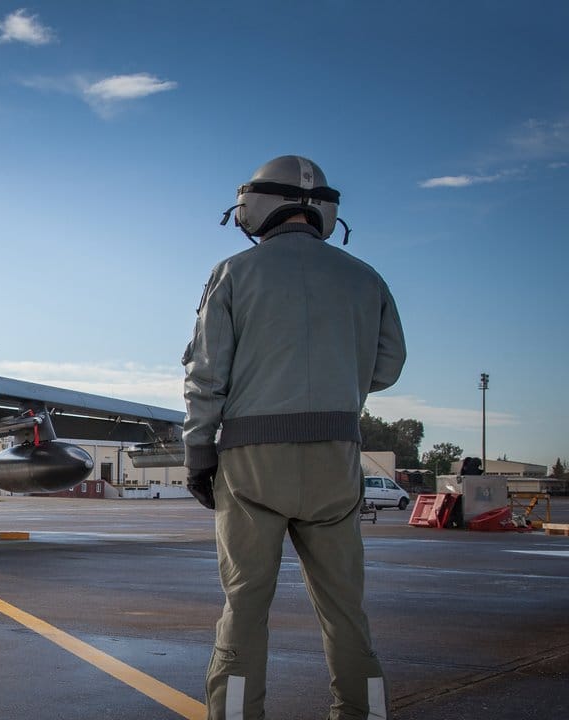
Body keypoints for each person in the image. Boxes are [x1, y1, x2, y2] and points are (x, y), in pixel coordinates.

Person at [184, 155, 406, 719]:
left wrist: (197, 455)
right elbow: (387, 367)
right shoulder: (366, 277)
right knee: (345, 611)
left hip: (252, 464)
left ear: (257, 205)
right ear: (322, 212)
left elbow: (206, 375)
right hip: (336, 460)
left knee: (245, 607)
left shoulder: (234, 272)